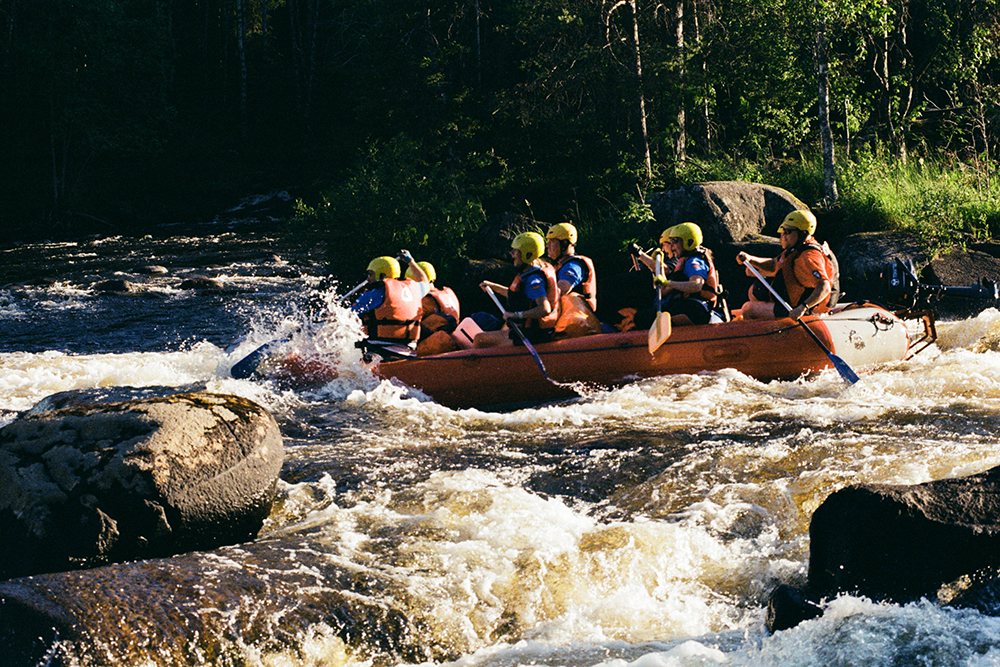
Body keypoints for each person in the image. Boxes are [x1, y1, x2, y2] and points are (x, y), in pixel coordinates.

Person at [736, 209, 839, 320]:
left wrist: (802, 308)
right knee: (754, 292)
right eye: (783, 231)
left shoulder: (809, 257)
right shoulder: (796, 249)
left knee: (748, 309)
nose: (783, 236)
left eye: (788, 232)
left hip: (806, 311)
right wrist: (750, 259)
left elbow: (824, 287)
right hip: (796, 305)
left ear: (802, 233)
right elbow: (773, 265)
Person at [475, 231, 559, 348]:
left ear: (527, 254)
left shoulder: (534, 280)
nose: (511, 254)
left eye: (515, 251)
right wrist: (493, 286)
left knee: (480, 339)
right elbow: (519, 296)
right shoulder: (531, 272)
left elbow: (544, 309)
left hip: (533, 335)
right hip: (528, 331)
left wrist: (516, 315)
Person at [641, 222, 721, 326]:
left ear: (688, 241)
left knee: (643, 318)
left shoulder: (695, 261)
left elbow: (696, 285)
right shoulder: (685, 261)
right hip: (688, 305)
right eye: (670, 242)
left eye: (675, 241)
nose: (672, 246)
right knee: (643, 315)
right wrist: (659, 266)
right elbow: (664, 292)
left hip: (696, 308)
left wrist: (667, 282)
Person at [350, 252, 426, 344]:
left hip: (378, 349)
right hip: (409, 350)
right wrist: (410, 261)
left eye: (371, 274)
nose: (368, 279)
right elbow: (424, 281)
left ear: (382, 275)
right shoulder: (415, 289)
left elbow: (349, 315)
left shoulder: (375, 293)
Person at [545, 222, 601, 337]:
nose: (548, 245)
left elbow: (561, 290)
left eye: (552, 242)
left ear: (564, 244)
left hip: (579, 325)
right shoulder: (558, 266)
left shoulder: (574, 266)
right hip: (563, 324)